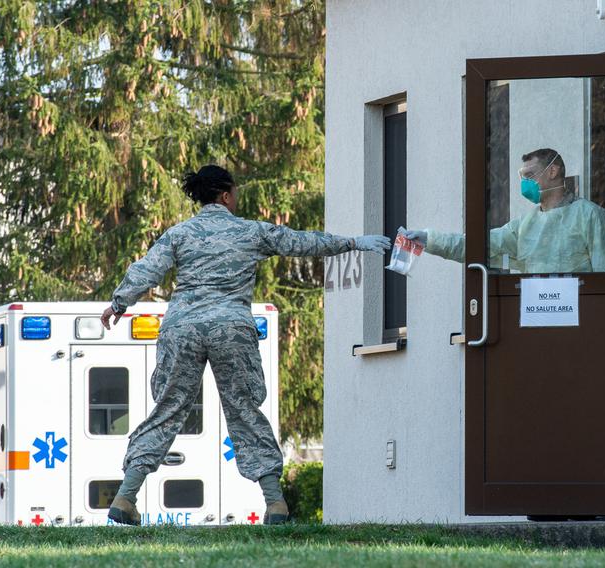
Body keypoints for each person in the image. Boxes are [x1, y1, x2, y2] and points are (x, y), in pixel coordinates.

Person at [101, 165, 391, 526]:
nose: (237, 198)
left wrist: (118, 303)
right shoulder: (250, 231)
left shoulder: (179, 234)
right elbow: (301, 242)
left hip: (182, 328)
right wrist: (353, 242)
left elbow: (147, 269)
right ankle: (275, 504)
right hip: (231, 328)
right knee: (243, 409)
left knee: (169, 408)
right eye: (234, 193)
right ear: (225, 195)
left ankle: (126, 496)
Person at [405, 149, 605, 272]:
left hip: (583, 320)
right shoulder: (525, 225)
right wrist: (430, 240)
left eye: (530, 175)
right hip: (537, 317)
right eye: (523, 177)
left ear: (553, 171)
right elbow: (481, 245)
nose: (525, 183)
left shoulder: (589, 216)